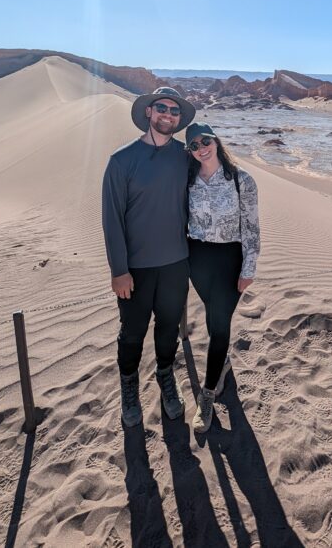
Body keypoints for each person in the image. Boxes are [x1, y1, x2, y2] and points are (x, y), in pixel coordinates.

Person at [102, 86, 196, 427]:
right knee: (132, 333)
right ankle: (129, 386)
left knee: (169, 328)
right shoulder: (121, 160)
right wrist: (119, 270)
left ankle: (166, 377)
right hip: (136, 270)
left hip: (176, 264)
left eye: (174, 111)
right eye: (162, 108)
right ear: (148, 112)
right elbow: (111, 219)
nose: (168, 115)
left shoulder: (185, 157)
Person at [184, 122, 261, 433]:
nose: (202, 147)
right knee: (214, 319)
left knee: (220, 323)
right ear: (189, 150)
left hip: (230, 259)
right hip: (197, 259)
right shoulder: (187, 180)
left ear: (216, 141)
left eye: (206, 140)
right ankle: (223, 364)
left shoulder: (242, 180)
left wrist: (249, 268)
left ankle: (208, 395)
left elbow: (252, 228)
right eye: (194, 145)